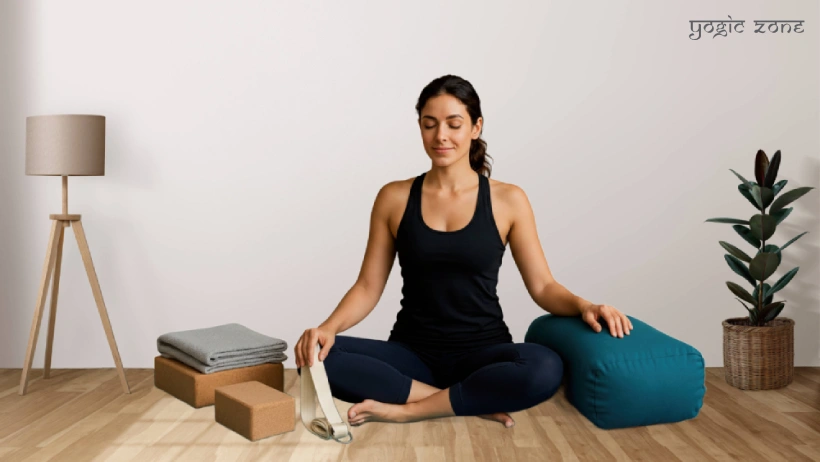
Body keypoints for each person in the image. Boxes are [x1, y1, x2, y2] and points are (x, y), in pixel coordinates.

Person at [295, 74, 633, 428]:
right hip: (411, 354)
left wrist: (586, 306)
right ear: (420, 128)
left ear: (476, 127)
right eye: (430, 125)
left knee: (545, 367)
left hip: (483, 354)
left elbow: (543, 287)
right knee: (316, 358)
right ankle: (466, 400)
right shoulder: (393, 198)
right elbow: (367, 286)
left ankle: (409, 408)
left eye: (454, 124)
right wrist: (327, 328)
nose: (441, 136)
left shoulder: (509, 199)